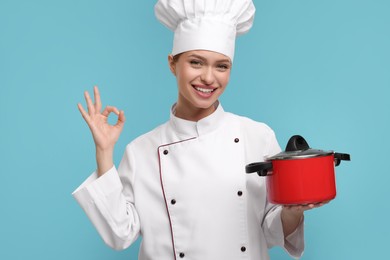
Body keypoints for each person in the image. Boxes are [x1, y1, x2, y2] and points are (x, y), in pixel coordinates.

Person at [73, 0, 325, 259]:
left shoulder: (257, 137)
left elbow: (272, 230)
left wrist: (294, 210)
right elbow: (120, 234)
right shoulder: (141, 151)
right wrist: (104, 153)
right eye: (196, 62)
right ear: (172, 64)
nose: (208, 77)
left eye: (221, 66)